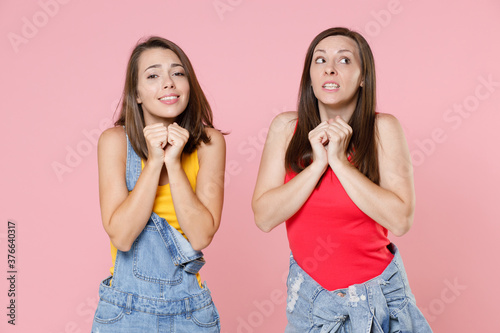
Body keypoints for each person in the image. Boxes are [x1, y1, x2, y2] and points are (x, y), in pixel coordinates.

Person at [252, 27, 432, 332]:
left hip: (380, 298)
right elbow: (265, 217)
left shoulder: (382, 130)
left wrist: (339, 162)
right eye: (319, 60)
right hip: (311, 301)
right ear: (309, 76)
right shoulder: (285, 128)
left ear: (363, 77)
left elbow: (401, 220)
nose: (330, 68)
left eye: (345, 60)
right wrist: (317, 165)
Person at [92, 36, 225, 332]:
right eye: (153, 75)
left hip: (191, 313)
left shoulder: (209, 143)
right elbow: (123, 237)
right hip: (124, 312)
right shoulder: (115, 142)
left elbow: (201, 236)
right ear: (136, 93)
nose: (169, 83)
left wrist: (174, 163)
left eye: (178, 73)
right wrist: (154, 162)